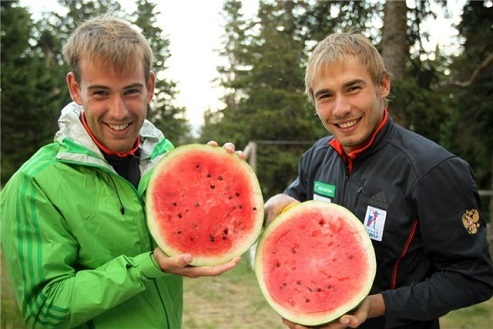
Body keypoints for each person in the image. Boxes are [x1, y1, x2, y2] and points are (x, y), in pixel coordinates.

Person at [0, 15, 241, 329]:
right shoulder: (35, 184)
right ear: (75, 88)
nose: (119, 111)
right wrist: (146, 267)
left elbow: (194, 227)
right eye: (101, 93)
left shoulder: (164, 161)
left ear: (150, 86)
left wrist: (219, 185)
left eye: (131, 92)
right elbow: (45, 309)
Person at [264, 32, 493, 329]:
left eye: (353, 88)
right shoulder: (316, 158)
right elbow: (294, 212)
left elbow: (473, 278)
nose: (341, 108)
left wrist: (376, 305)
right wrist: (270, 205)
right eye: (326, 95)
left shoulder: (434, 170)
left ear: (382, 85)